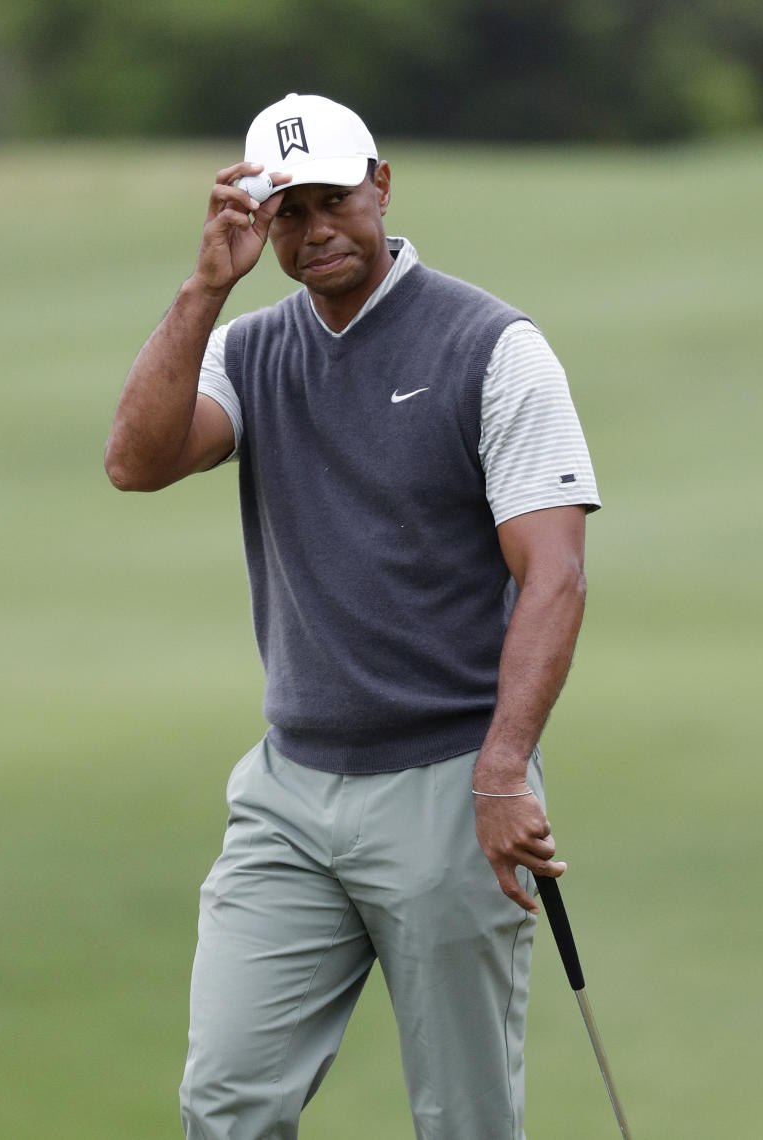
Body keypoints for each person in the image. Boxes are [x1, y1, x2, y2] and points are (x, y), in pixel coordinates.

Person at [105, 92, 601, 1140]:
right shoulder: (252, 350)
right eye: (287, 212)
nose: (314, 229)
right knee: (226, 1103)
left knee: (462, 1120)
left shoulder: (493, 347)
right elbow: (135, 463)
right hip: (289, 792)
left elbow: (553, 575)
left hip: (450, 788)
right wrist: (204, 288)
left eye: (333, 200)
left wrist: (505, 770)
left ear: (382, 185)